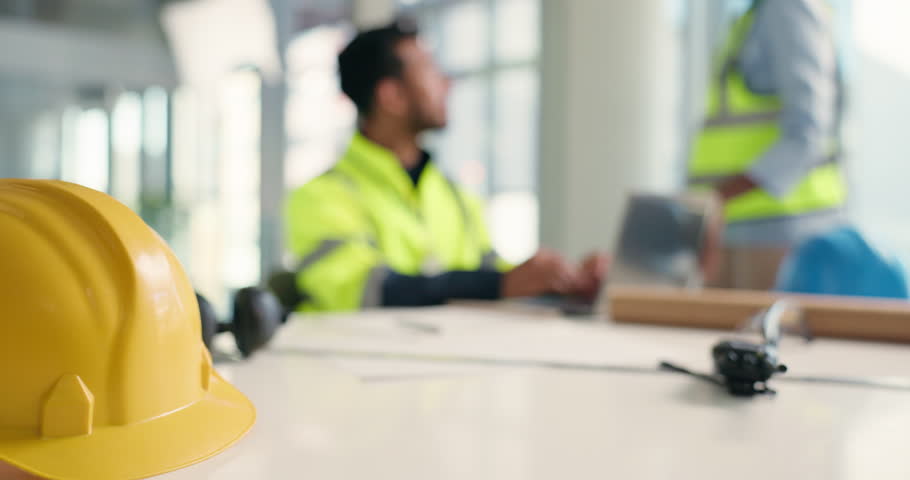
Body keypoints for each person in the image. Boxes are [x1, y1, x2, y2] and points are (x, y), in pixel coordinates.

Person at [284, 19, 607, 312]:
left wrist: (564, 284)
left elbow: (494, 279)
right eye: (429, 71)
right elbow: (367, 293)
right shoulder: (321, 197)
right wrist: (500, 284)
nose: (447, 84)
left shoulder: (455, 195)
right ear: (392, 96)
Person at [690, 0, 847, 290]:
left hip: (779, 237)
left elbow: (807, 135)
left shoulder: (789, 8)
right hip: (739, 231)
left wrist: (716, 199)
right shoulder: (753, 16)